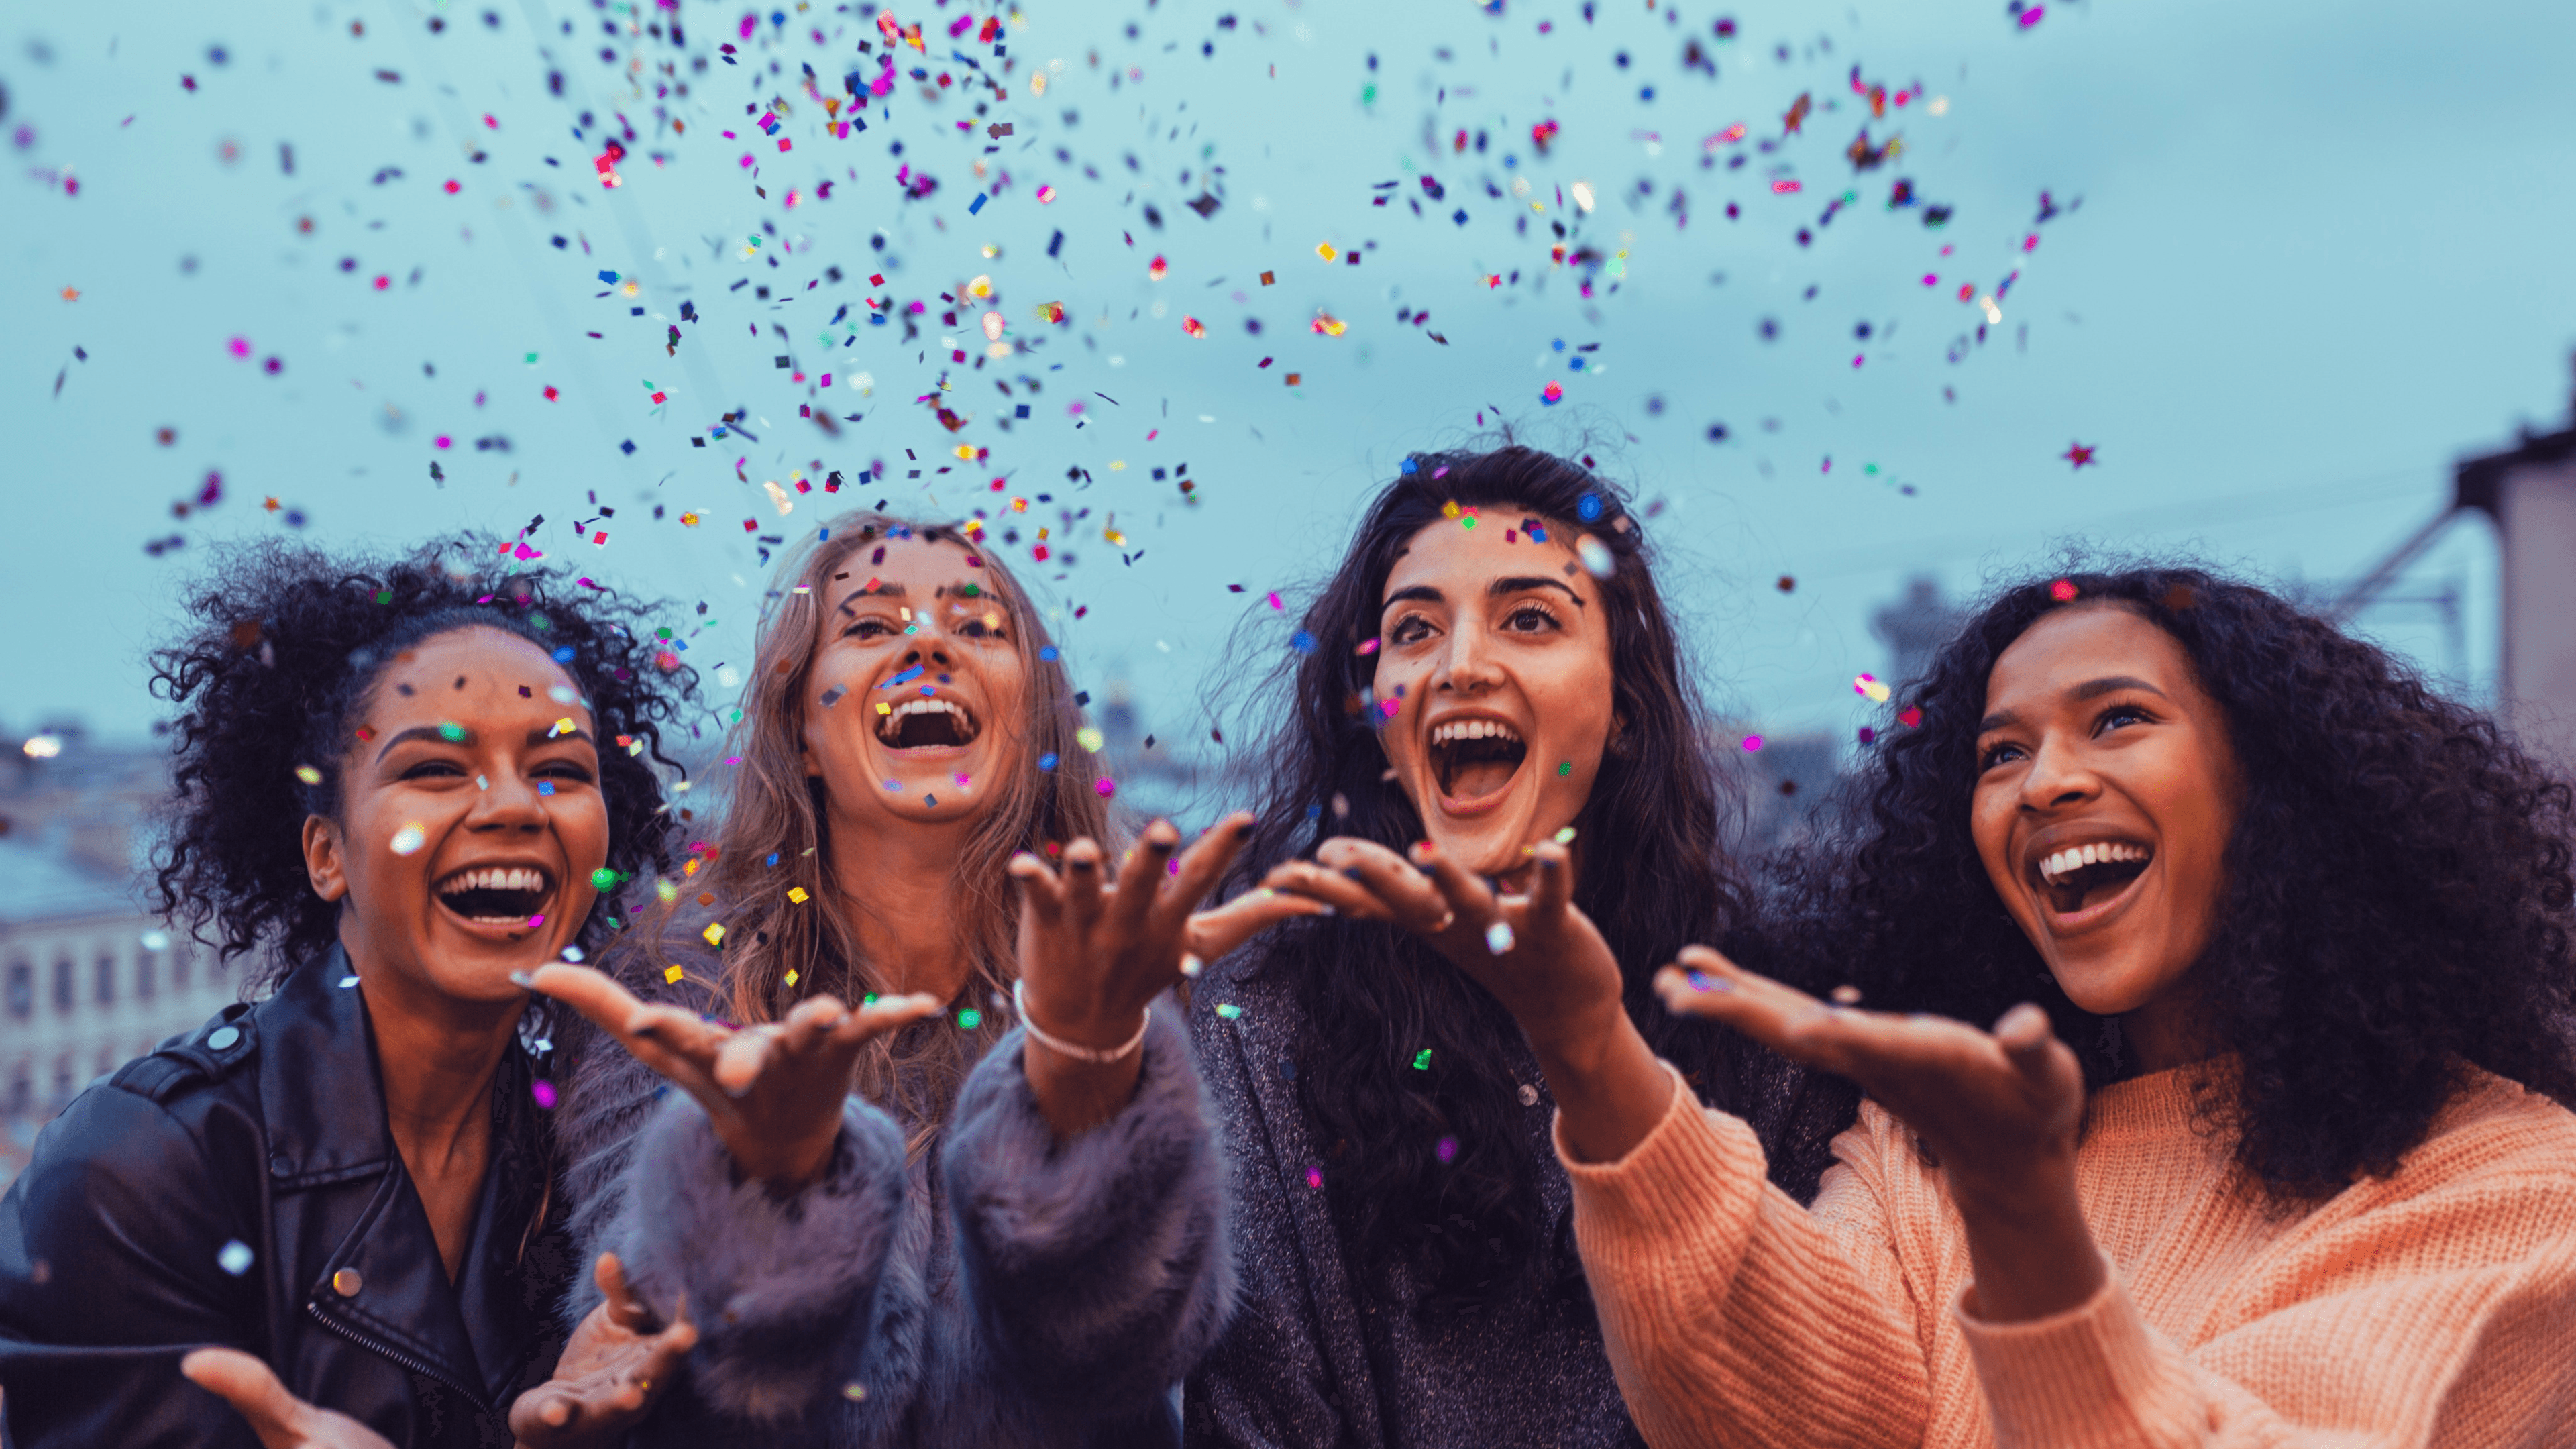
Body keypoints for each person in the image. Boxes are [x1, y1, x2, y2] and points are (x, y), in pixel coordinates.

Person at [1405, 564, 2576, 1446]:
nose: (2046, 784)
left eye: (2118, 719)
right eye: (1999, 754)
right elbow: (1772, 1414)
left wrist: (2024, 1221)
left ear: (2282, 791)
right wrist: (1587, 1046)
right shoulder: (1932, 1156)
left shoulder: (2518, 1189)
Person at [525, 511, 1296, 1446]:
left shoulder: (1151, 979)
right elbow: (658, 1332)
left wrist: (1088, 1075)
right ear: (801, 728)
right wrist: (766, 1185)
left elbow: (1139, 1355)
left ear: (1034, 722)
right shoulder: (675, 978)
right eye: (871, 626)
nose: (928, 642)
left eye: (977, 627)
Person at [0, 537, 703, 1448]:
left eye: (560, 770)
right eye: (435, 769)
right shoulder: (138, 1170)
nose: (514, 807)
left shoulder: (609, 1148)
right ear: (326, 853)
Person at [1185, 447, 1808, 1448]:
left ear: (1626, 702)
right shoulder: (1264, 1015)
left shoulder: (1763, 1011)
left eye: (1530, 619)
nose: (1460, 664)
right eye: (1413, 630)